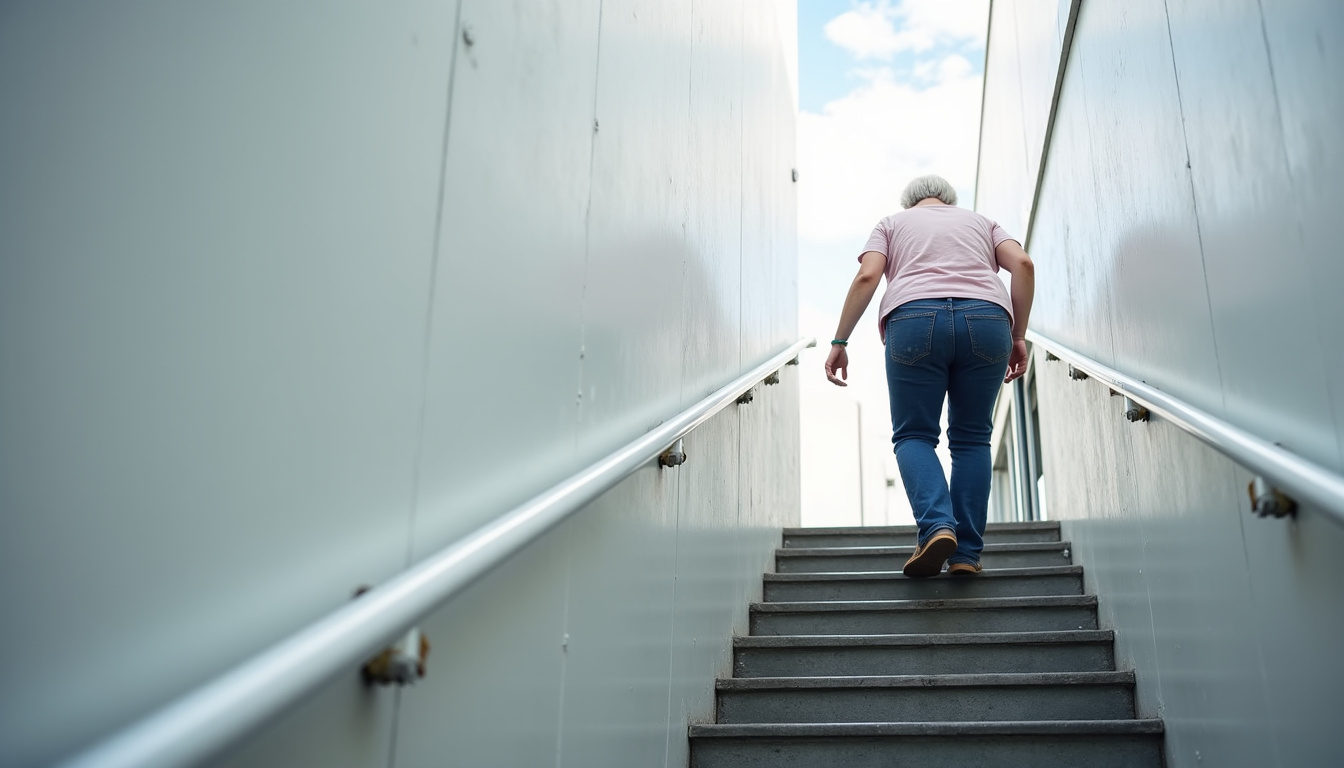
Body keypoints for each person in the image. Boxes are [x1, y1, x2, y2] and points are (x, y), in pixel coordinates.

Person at [824, 174, 1034, 578]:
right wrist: (1018, 335)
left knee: (914, 435)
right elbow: (1022, 264)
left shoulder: (891, 224)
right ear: (949, 201)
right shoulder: (983, 222)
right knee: (972, 438)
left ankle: (938, 526)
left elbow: (868, 276)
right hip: (988, 319)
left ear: (909, 203)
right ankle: (966, 555)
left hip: (914, 318)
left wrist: (840, 340)